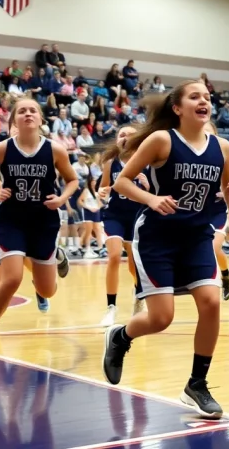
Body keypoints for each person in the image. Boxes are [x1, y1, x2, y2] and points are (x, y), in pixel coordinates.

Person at [101, 82, 229, 419]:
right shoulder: (161, 140)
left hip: (196, 237)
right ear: (177, 108)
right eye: (195, 97)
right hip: (157, 237)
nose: (203, 101)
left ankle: (197, 383)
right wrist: (151, 199)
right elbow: (122, 181)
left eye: (207, 97)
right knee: (161, 319)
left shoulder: (222, 147)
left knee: (211, 304)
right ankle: (120, 336)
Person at [0, 98, 79, 368]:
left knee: (48, 291)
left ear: (41, 119)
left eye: (33, 110)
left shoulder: (55, 149)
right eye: (22, 111)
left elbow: (73, 180)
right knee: (12, 278)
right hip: (12, 220)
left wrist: (62, 198)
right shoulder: (1, 149)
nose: (28, 113)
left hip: (44, 222)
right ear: (14, 120)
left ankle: (56, 257)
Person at [98, 125, 150, 326]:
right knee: (113, 256)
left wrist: (147, 185)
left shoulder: (147, 162)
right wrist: (102, 192)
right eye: (122, 135)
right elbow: (104, 187)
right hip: (114, 215)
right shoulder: (111, 163)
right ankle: (111, 307)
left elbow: (156, 191)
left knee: (134, 265)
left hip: (137, 216)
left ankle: (139, 295)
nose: (125, 137)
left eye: (130, 134)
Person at [203, 121, 229, 301]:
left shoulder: (222, 155)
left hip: (217, 211)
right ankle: (226, 274)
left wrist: (225, 193)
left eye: (209, 131)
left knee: (213, 247)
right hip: (197, 211)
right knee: (210, 250)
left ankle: (212, 288)